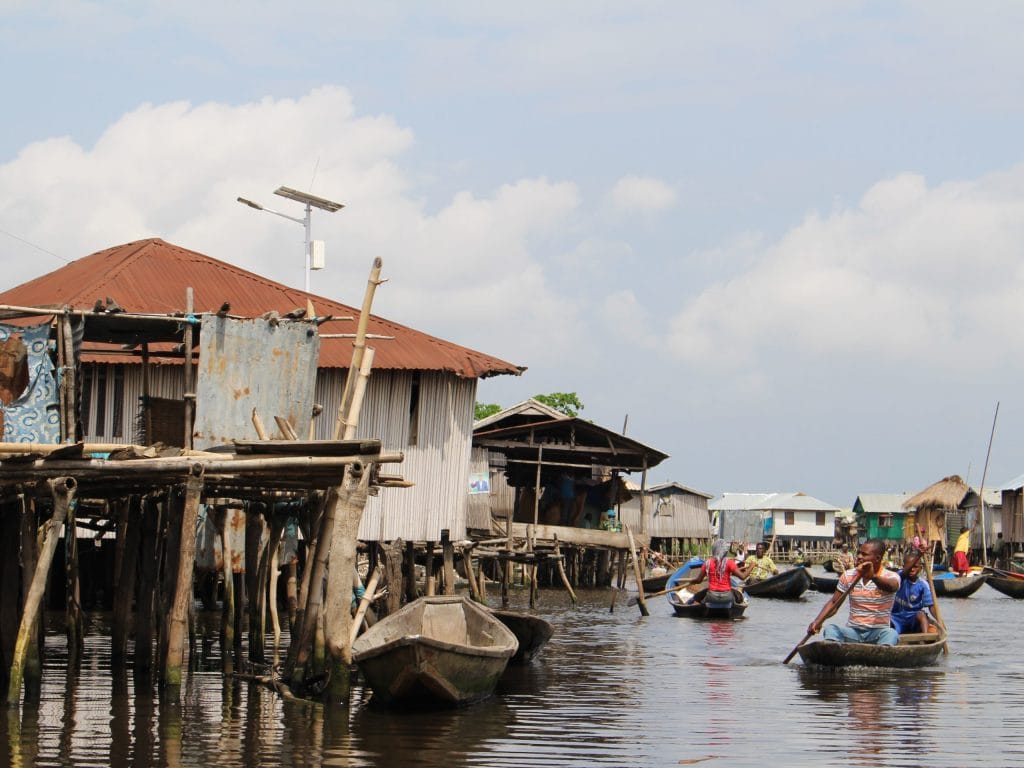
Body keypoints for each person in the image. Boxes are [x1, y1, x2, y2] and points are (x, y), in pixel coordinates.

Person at [807, 538, 901, 645]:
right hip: (853, 632)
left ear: (877, 558)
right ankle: (833, 653)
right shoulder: (849, 575)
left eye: (864, 555)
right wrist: (818, 621)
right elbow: (834, 603)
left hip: (878, 632)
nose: (859, 557)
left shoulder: (891, 576)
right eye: (859, 553)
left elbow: (892, 586)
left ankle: (881, 654)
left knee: (891, 634)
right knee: (831, 629)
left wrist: (873, 577)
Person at [677, 539, 754, 605]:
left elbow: (698, 580)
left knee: (696, 597)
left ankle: (689, 604)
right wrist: (751, 566)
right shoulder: (730, 563)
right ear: (725, 551)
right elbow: (743, 577)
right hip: (727, 597)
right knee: (739, 595)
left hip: (711, 596)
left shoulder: (707, 563)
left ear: (714, 550)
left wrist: (692, 581)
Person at [891, 550, 940, 635]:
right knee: (890, 626)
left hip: (912, 617)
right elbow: (903, 573)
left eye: (915, 567)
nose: (912, 569)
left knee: (921, 615)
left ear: (920, 568)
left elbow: (931, 606)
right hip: (896, 617)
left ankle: (925, 638)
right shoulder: (899, 578)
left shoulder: (923, 584)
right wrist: (919, 555)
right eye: (910, 567)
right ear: (904, 567)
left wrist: (940, 621)